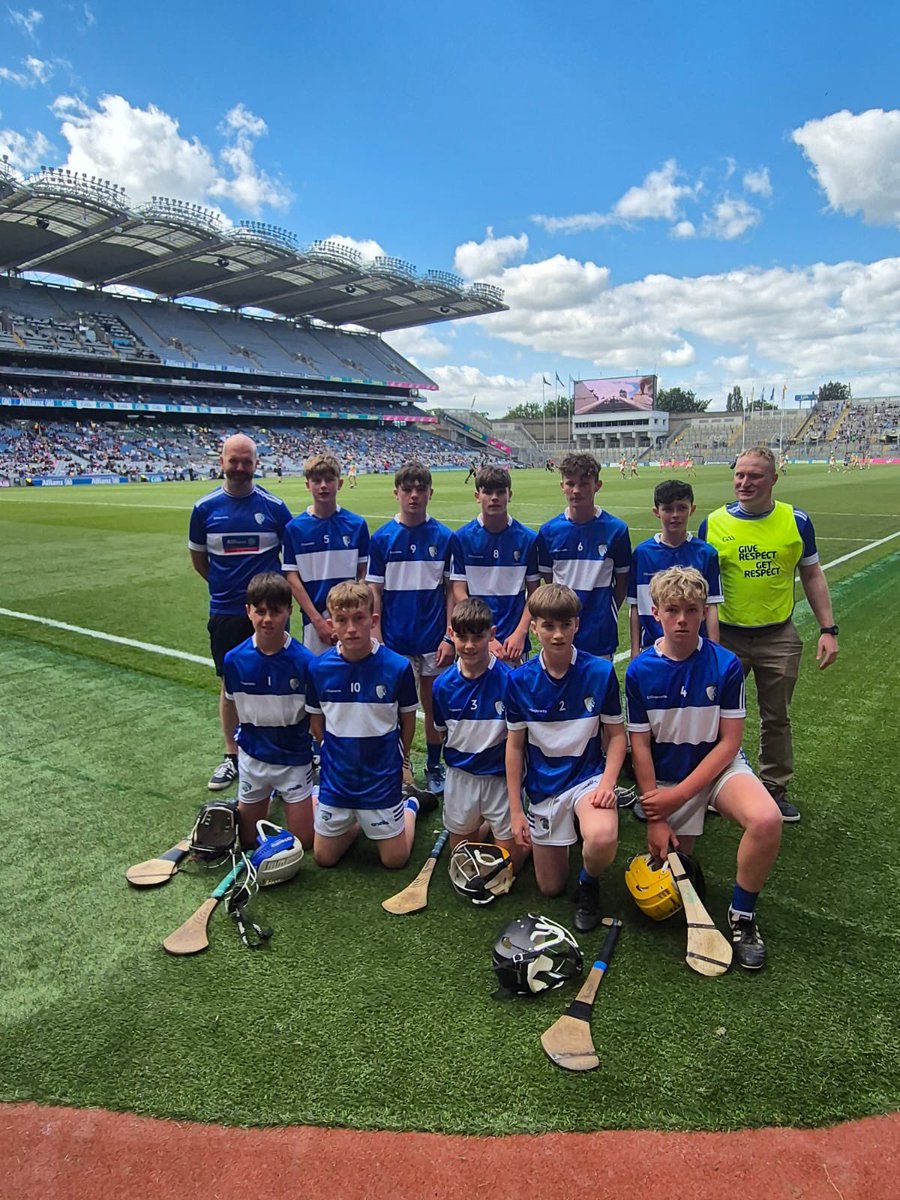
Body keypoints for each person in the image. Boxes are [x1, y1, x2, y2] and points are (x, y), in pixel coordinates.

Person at [625, 566, 783, 970]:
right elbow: (639, 746)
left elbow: (729, 742)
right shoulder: (640, 670)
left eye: (692, 610)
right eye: (672, 609)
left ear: (703, 612)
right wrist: (655, 814)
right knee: (674, 880)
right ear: (655, 612)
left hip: (717, 769)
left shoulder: (725, 664)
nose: (682, 619)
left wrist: (676, 799)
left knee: (767, 819)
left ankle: (742, 916)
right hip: (665, 774)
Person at [698, 446, 839, 822]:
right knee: (711, 714)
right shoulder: (712, 523)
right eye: (739, 475)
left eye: (754, 476)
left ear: (774, 479)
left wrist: (828, 628)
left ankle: (773, 788)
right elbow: (697, 586)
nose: (744, 482)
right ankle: (708, 786)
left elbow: (811, 575)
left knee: (776, 717)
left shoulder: (796, 521)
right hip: (724, 637)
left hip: (778, 635)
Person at [505, 585, 627, 934]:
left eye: (565, 625)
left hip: (587, 779)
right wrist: (515, 809)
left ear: (577, 624)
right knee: (550, 887)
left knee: (602, 838)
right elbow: (514, 748)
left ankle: (589, 882)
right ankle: (564, 834)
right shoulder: (518, 681)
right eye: (548, 626)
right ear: (534, 628)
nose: (557, 635)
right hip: (544, 788)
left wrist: (608, 784)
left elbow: (617, 737)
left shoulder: (599, 673)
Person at [189, 433, 292, 791]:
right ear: (222, 461)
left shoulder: (274, 507)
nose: (240, 467)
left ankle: (288, 749)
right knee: (230, 683)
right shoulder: (204, 509)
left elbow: (289, 560)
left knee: (281, 678)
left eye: (246, 460)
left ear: (256, 463)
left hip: (272, 613)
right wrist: (226, 588)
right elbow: (200, 561)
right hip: (227, 611)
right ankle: (232, 755)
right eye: (234, 460)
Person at [305, 582, 421, 869]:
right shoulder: (318, 669)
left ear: (374, 620)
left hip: (380, 779)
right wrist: (330, 752)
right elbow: (316, 720)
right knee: (323, 858)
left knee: (395, 861)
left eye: (359, 618)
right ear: (331, 624)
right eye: (342, 620)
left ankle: (410, 806)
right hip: (338, 780)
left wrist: (401, 760)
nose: (351, 628)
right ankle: (357, 821)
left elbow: (407, 720)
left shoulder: (397, 667)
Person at [367, 461, 455, 796]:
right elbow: (374, 590)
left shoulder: (444, 537)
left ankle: (434, 766)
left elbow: (450, 591)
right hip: (395, 642)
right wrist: (377, 637)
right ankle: (401, 766)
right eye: (408, 489)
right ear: (397, 493)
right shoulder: (383, 538)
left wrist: (449, 634)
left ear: (430, 493)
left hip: (434, 640)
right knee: (396, 711)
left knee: (433, 709)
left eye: (421, 489)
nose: (414, 495)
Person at [222, 573, 315, 850]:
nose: (267, 619)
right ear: (248, 611)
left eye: (275, 612)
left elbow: (315, 716)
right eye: (260, 611)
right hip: (254, 759)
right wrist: (231, 748)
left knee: (304, 843)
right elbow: (228, 704)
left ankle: (316, 794)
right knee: (249, 841)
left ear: (288, 612)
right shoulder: (235, 660)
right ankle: (265, 799)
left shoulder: (306, 662)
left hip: (293, 760)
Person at [432, 598, 522, 867]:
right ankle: (481, 824)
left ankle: (498, 826)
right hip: (462, 779)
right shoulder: (442, 686)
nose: (469, 645)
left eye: (478, 637)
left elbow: (518, 740)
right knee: (465, 862)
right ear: (451, 634)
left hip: (500, 780)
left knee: (508, 865)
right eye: (462, 637)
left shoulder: (510, 681)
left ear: (491, 635)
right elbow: (441, 734)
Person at [538, 453, 631, 660]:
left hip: (599, 631)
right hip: (560, 631)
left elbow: (622, 581)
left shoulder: (616, 530)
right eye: (570, 484)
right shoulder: (548, 531)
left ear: (597, 485)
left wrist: (609, 611)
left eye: (584, 483)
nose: (576, 490)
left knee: (598, 689)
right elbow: (548, 581)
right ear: (562, 485)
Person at [450, 464, 540, 665]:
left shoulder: (528, 539)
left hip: (513, 643)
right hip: (475, 640)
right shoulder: (462, 538)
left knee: (513, 696)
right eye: (487, 492)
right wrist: (484, 636)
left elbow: (534, 593)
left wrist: (520, 632)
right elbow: (458, 591)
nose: (494, 498)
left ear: (510, 495)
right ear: (477, 496)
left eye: (500, 492)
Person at [282, 453, 369, 656]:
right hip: (315, 623)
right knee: (319, 678)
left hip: (351, 620)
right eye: (317, 481)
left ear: (339, 483)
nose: (323, 486)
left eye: (329, 480)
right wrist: (318, 620)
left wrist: (353, 615)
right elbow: (292, 578)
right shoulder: (295, 529)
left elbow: (363, 573)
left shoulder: (356, 525)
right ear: (307, 485)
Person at [628, 478, 722, 658]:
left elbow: (711, 607)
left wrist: (715, 650)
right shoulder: (642, 554)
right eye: (668, 509)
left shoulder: (706, 553)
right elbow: (635, 607)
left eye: (682, 508)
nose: (675, 515)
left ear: (692, 509)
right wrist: (634, 651)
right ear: (656, 512)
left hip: (695, 649)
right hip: (651, 648)